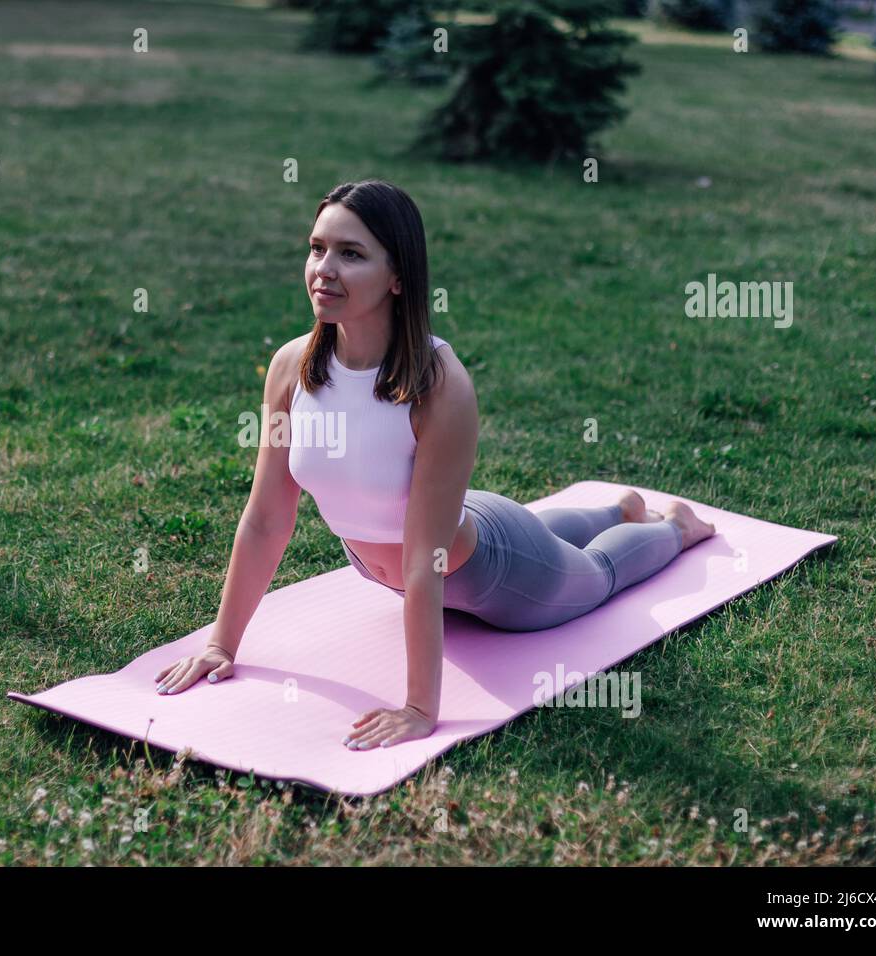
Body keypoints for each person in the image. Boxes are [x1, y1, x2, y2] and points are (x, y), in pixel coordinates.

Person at [153, 179, 716, 749]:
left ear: (398, 276)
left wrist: (420, 706)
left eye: (351, 254)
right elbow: (267, 519)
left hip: (492, 572)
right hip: (427, 544)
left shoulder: (438, 385)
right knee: (540, 533)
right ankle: (617, 507)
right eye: (317, 247)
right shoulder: (291, 367)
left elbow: (427, 558)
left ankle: (675, 527)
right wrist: (221, 644)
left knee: (596, 575)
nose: (323, 268)